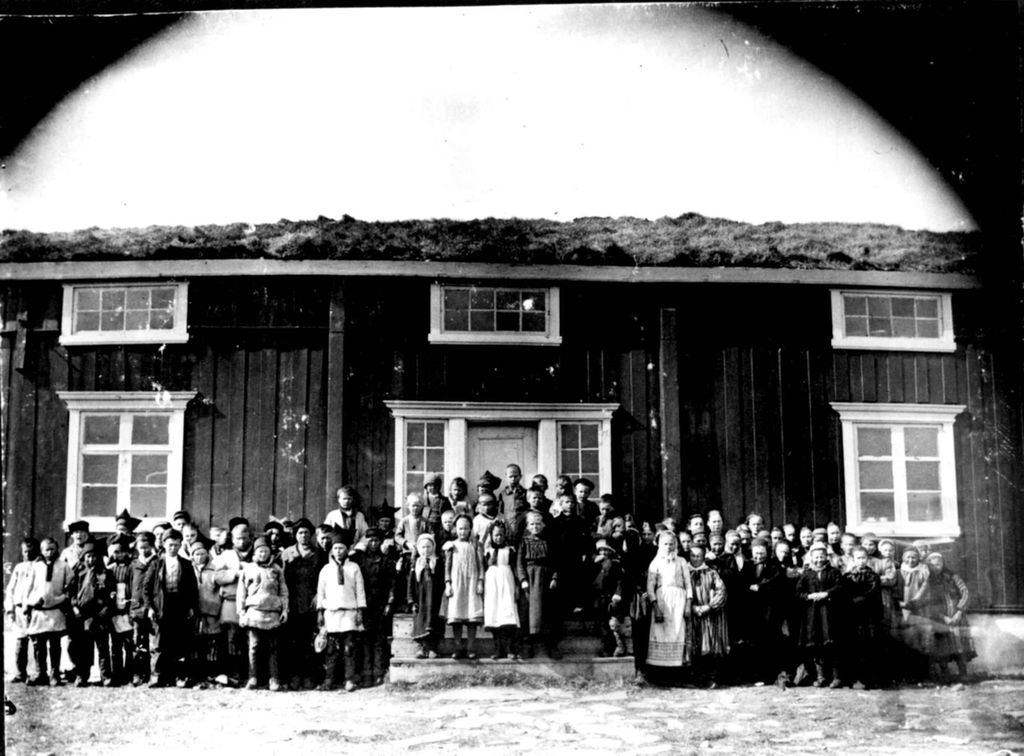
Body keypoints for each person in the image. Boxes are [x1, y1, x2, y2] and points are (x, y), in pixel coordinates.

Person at [144, 529, 198, 688]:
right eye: (170, 545)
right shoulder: (156, 563)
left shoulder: (186, 564)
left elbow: (193, 589)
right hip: (161, 605)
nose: (172, 548)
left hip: (179, 605)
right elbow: (146, 588)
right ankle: (157, 676)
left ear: (180, 545)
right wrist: (150, 608)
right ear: (164, 544)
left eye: (176, 545)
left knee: (179, 642)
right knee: (160, 642)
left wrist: (191, 607)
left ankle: (179, 676)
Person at [238, 536, 289, 691]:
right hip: (254, 613)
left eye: (265, 551)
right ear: (255, 552)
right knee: (254, 646)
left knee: (272, 648)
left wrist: (285, 609)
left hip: (273, 613)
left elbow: (283, 591)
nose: (263, 554)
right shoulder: (248, 569)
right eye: (260, 551)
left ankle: (274, 679)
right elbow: (241, 592)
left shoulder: (276, 569)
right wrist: (241, 612)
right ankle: (252, 677)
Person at [281, 518, 325, 690]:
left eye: (307, 532)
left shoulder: (318, 554)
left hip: (310, 603)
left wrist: (317, 595)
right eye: (300, 532)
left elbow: (323, 579)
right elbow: (281, 579)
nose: (304, 536)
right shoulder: (287, 553)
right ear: (295, 535)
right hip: (292, 603)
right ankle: (294, 676)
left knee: (309, 642)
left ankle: (309, 677)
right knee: (293, 642)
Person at [316, 535, 365, 692]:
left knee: (349, 648)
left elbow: (360, 590)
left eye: (341, 548)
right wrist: (320, 612)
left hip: (349, 613)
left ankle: (349, 679)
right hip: (331, 613)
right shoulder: (326, 569)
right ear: (332, 550)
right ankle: (329, 680)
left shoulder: (354, 568)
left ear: (347, 550)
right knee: (331, 649)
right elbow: (321, 592)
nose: (338, 551)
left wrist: (360, 611)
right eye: (335, 548)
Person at [795, 543, 844, 688]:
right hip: (813, 614)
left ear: (826, 557)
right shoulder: (807, 574)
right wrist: (809, 596)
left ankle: (836, 677)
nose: (819, 560)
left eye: (822, 556)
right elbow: (798, 593)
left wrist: (827, 593)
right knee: (816, 644)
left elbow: (840, 587)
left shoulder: (834, 572)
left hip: (830, 613)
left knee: (832, 643)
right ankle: (821, 676)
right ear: (811, 558)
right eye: (816, 557)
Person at [26, 537, 73, 687]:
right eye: (46, 549)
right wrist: (28, 604)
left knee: (55, 644)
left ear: (57, 549)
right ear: (41, 550)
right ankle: (41, 673)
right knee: (39, 645)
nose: (49, 552)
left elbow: (71, 585)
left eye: (52, 549)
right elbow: (29, 587)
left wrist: (63, 598)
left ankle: (55, 674)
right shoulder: (36, 567)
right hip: (39, 611)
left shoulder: (64, 566)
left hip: (55, 610)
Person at [923, 552, 976, 681]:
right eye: (932, 565)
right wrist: (942, 617)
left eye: (938, 564)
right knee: (942, 645)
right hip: (939, 618)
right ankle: (945, 675)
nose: (936, 567)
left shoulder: (953, 576)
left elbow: (965, 592)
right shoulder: (927, 580)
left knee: (960, 644)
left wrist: (959, 611)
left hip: (957, 617)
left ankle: (963, 673)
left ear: (943, 564)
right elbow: (928, 601)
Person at [69, 543, 115, 686]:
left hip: (100, 614)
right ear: (84, 558)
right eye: (88, 557)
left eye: (94, 556)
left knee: (102, 646)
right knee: (84, 646)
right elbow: (72, 593)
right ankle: (82, 675)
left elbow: (112, 593)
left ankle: (105, 675)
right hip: (83, 615)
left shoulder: (106, 574)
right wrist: (75, 606)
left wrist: (107, 607)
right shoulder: (78, 574)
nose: (91, 560)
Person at [516, 511, 559, 659]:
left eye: (538, 524)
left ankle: (550, 646)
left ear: (543, 525)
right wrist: (523, 580)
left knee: (547, 611)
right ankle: (528, 645)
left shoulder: (548, 541)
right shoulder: (524, 541)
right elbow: (519, 563)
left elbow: (554, 562)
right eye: (532, 524)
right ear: (528, 526)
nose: (535, 526)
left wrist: (554, 578)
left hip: (545, 578)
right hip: (530, 578)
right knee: (528, 612)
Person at [646, 530, 692, 670]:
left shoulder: (681, 561)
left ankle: (678, 668)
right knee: (661, 633)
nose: (668, 547)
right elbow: (650, 587)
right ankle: (661, 670)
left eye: (671, 544)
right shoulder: (655, 563)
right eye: (665, 544)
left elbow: (688, 584)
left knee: (678, 632)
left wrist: (688, 604)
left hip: (679, 600)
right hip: (662, 601)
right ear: (660, 545)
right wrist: (656, 607)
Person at [442, 514, 484, 659]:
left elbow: (480, 565)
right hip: (457, 583)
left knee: (472, 617)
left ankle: (471, 648)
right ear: (455, 529)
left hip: (472, 583)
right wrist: (448, 583)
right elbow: (447, 567)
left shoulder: (476, 545)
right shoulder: (451, 546)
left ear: (470, 529)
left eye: (466, 529)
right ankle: (458, 647)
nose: (463, 532)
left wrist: (480, 581)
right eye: (460, 529)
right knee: (457, 618)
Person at [686, 543, 728, 688]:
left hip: (708, 616)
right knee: (693, 646)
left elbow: (721, 591)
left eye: (699, 556)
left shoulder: (711, 573)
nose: (695, 558)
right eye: (692, 555)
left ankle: (710, 677)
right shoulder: (684, 573)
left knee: (708, 645)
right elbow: (678, 592)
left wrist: (708, 607)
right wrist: (692, 608)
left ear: (704, 556)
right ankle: (695, 677)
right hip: (690, 615)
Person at [358, 527, 395, 687]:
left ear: (380, 542)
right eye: (370, 540)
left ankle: (378, 673)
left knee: (379, 640)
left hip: (380, 605)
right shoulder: (360, 560)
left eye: (376, 541)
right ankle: (366, 674)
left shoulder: (386, 560)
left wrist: (389, 603)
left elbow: (393, 584)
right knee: (366, 640)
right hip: (365, 604)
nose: (373, 543)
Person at [842, 546, 882, 689]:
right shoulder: (847, 576)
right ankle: (854, 678)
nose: (861, 561)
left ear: (868, 559)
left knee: (868, 645)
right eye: (858, 558)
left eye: (863, 558)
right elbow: (844, 593)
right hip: (852, 615)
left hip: (868, 614)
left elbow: (871, 593)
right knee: (853, 645)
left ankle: (869, 679)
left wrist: (857, 599)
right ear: (853, 560)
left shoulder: (873, 576)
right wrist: (849, 602)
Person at [483, 519, 520, 660]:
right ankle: (498, 649)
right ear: (491, 535)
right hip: (492, 585)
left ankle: (510, 649)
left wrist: (517, 586)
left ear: (505, 535)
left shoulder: (510, 551)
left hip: (507, 583)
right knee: (494, 615)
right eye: (496, 535)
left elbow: (516, 570)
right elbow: (483, 568)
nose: (498, 538)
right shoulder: (487, 551)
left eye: (501, 535)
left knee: (507, 615)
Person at [5, 537, 39, 683]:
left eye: (31, 550)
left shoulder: (41, 566)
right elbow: (10, 589)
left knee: (38, 642)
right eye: (25, 551)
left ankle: (39, 672)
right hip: (20, 610)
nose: (28, 553)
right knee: (21, 641)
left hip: (36, 609)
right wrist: (10, 608)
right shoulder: (19, 568)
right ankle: (20, 672)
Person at [189, 542, 223, 687]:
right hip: (195, 613)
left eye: (203, 553)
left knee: (213, 642)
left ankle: (213, 673)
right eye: (197, 554)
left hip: (211, 611)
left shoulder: (214, 570)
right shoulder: (189, 569)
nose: (200, 557)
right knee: (197, 643)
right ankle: (198, 674)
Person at [407, 533, 445, 659]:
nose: (426, 550)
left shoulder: (438, 563)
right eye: (423, 547)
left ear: (433, 547)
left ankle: (433, 648)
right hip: (421, 598)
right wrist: (411, 600)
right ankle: (422, 648)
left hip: (434, 598)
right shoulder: (416, 564)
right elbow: (411, 583)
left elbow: (441, 581)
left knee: (434, 622)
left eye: (429, 547)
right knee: (420, 621)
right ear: (418, 548)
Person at [128, 531, 158, 686]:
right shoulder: (133, 565)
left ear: (152, 546)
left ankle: (152, 673)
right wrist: (131, 608)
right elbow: (129, 587)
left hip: (153, 609)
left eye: (147, 547)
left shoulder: (157, 562)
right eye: (141, 547)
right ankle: (138, 674)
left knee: (153, 643)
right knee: (137, 642)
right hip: (137, 608)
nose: (144, 550)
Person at [106, 535, 136, 686]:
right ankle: (116, 674)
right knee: (115, 645)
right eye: (115, 552)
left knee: (129, 644)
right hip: (115, 612)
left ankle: (129, 673)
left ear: (127, 553)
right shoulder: (110, 570)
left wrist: (130, 610)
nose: (118, 555)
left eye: (121, 552)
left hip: (127, 609)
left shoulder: (132, 568)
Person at [591, 539, 627, 657]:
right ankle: (606, 647)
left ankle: (616, 647)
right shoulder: (595, 565)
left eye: (606, 550)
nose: (603, 553)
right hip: (598, 600)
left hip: (610, 599)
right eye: (601, 550)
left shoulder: (615, 565)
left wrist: (617, 594)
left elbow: (620, 582)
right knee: (602, 626)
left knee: (612, 625)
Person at [422, 474, 451, 539]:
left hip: (439, 526)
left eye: (435, 485)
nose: (433, 487)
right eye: (430, 485)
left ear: (439, 487)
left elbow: (449, 513)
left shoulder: (444, 500)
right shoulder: (423, 499)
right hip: (426, 526)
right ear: (426, 487)